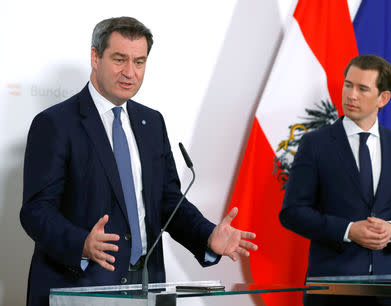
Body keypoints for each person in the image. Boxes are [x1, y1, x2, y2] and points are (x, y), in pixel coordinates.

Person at [20, 16, 257, 306]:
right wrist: (81, 243)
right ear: (95, 57)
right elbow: (36, 210)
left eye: (139, 62)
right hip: (82, 286)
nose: (130, 72)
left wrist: (207, 235)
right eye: (119, 59)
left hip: (148, 284)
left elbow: (168, 201)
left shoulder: (151, 122)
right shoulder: (56, 124)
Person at [279, 54, 391, 306]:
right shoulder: (315, 144)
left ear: (383, 98)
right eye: (348, 84)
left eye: (362, 88)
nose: (351, 95)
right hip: (331, 290)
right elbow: (292, 212)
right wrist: (347, 230)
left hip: (386, 291)